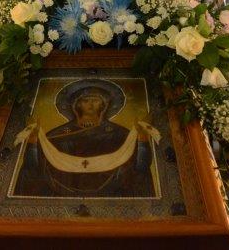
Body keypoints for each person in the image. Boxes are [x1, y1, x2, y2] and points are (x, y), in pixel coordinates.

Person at [13, 79, 154, 197]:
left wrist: (142, 139)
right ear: (77, 105)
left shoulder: (120, 134)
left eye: (96, 100)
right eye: (86, 100)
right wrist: (33, 140)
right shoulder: (57, 135)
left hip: (112, 194)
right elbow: (34, 167)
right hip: (61, 193)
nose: (91, 104)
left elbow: (140, 167)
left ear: (104, 105)